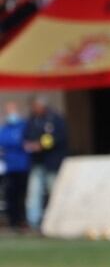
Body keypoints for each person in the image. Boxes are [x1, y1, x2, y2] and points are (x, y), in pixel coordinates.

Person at [23, 97, 68, 231]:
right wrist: (30, 144)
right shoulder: (32, 120)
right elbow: (25, 136)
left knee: (54, 191)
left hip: (51, 162)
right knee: (33, 193)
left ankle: (57, 220)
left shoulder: (55, 119)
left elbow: (60, 138)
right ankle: (33, 222)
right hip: (37, 162)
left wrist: (42, 145)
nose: (35, 109)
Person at [0, 102, 29, 230]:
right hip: (9, 167)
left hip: (23, 166)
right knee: (10, 195)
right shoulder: (4, 129)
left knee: (23, 194)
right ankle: (13, 221)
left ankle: (23, 220)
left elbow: (25, 143)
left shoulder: (24, 126)